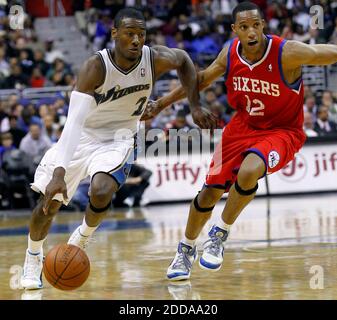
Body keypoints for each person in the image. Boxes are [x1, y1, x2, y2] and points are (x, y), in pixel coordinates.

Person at [20, 8, 216, 290]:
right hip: (82, 136)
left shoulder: (154, 58)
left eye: (141, 34)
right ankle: (33, 256)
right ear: (114, 34)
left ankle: (83, 236)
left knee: (101, 190)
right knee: (47, 204)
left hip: (119, 136)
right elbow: (73, 124)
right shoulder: (95, 67)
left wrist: (194, 105)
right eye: (129, 34)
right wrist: (59, 173)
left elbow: (184, 61)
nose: (136, 40)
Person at [141, 2, 337, 280]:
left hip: (282, 131)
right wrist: (160, 104)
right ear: (235, 30)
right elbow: (201, 79)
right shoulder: (230, 52)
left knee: (249, 170)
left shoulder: (287, 52)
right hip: (241, 127)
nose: (251, 31)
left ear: (262, 26)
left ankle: (219, 233)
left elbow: (325, 53)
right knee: (208, 192)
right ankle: (185, 250)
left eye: (255, 25)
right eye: (244, 27)